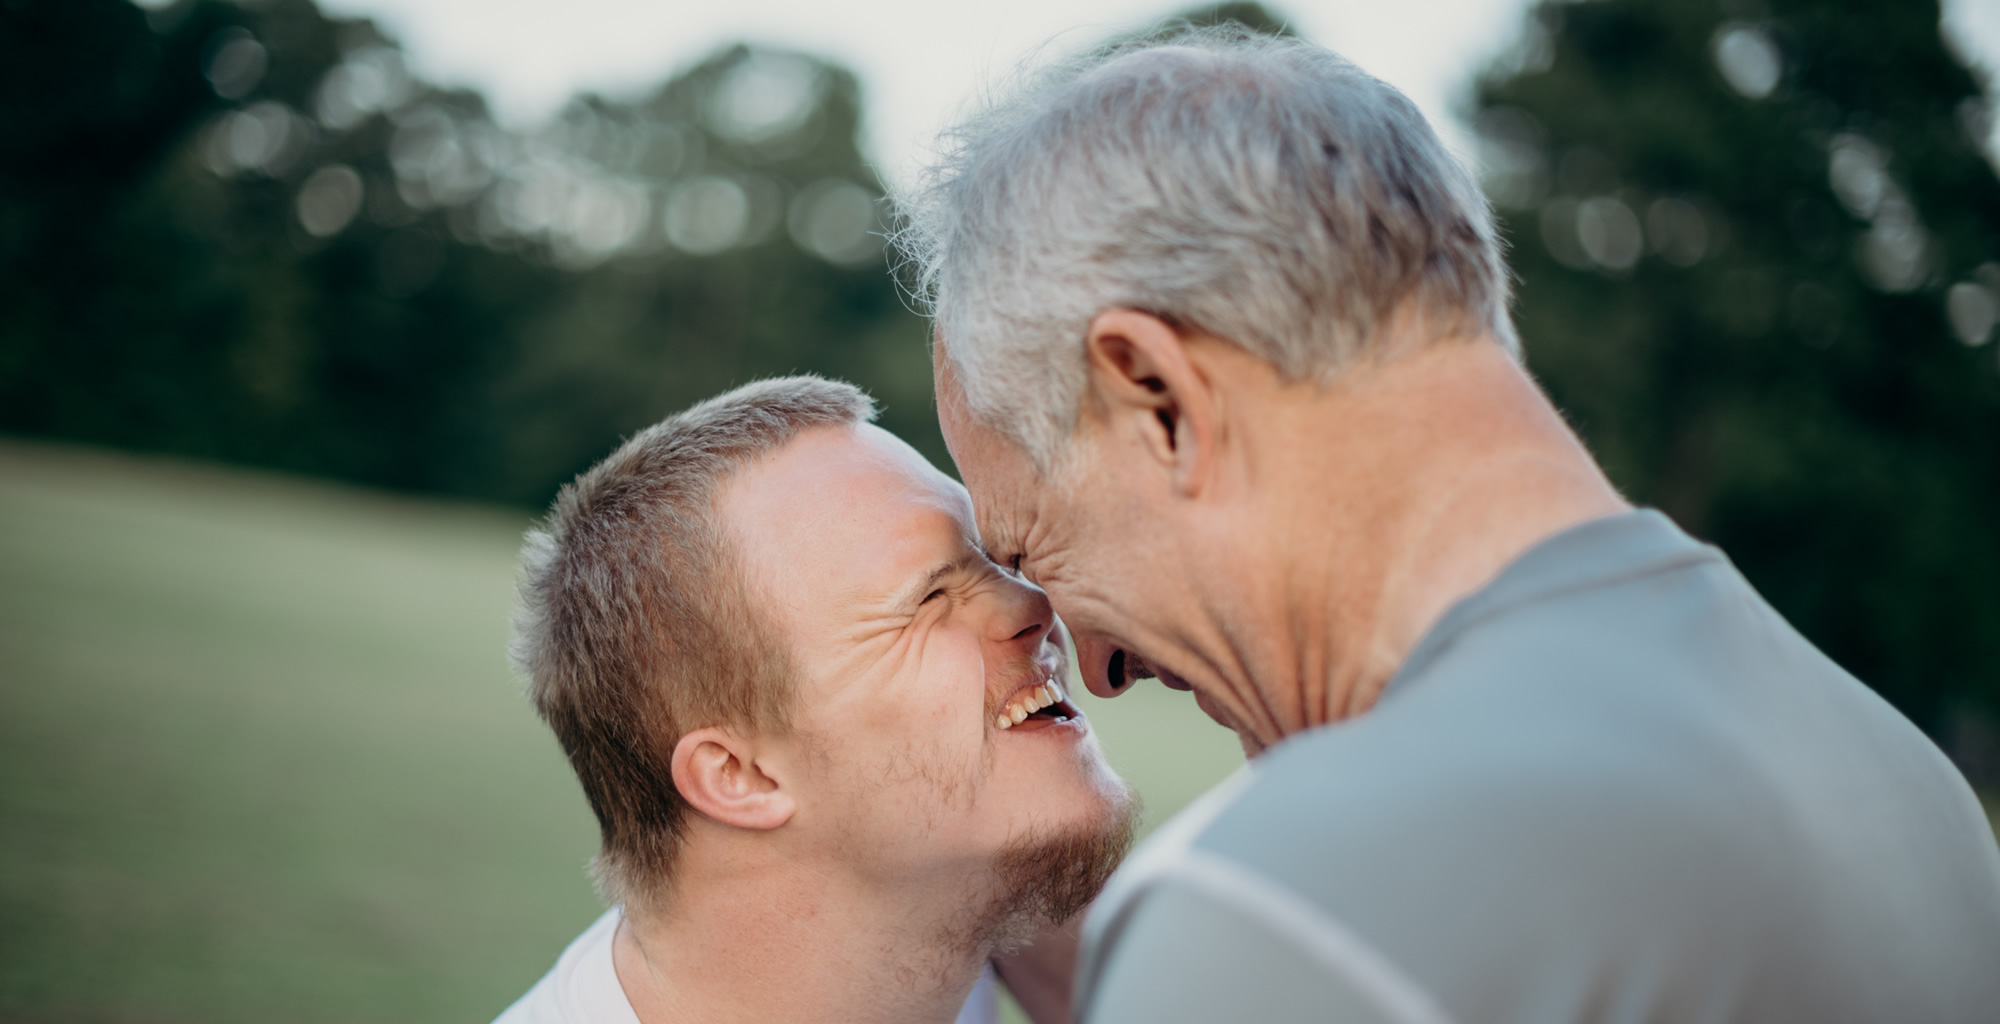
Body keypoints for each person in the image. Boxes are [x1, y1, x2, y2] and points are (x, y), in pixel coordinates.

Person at [898, 27, 2000, 1024]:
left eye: (1038, 543)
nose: (1095, 666)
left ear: (1160, 400)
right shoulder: (1904, 791)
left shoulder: (1287, 908)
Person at [495, 377, 1134, 1024]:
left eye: (999, 559)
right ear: (740, 776)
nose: (1036, 603)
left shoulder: (945, 900)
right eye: (929, 599)